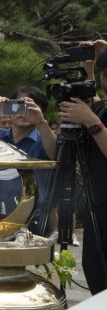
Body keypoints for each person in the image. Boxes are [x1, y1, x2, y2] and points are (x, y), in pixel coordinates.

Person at [57, 40, 107, 294]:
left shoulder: (97, 116)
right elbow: (94, 102)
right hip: (97, 208)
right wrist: (89, 66)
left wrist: (91, 122)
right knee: (95, 271)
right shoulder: (103, 108)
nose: (105, 80)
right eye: (104, 74)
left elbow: (95, 117)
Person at [0, 87, 57, 226]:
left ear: (41, 112)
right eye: (18, 106)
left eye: (30, 107)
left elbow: (56, 154)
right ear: (9, 109)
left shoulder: (44, 139)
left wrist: (41, 123)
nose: (23, 113)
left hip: (32, 221)